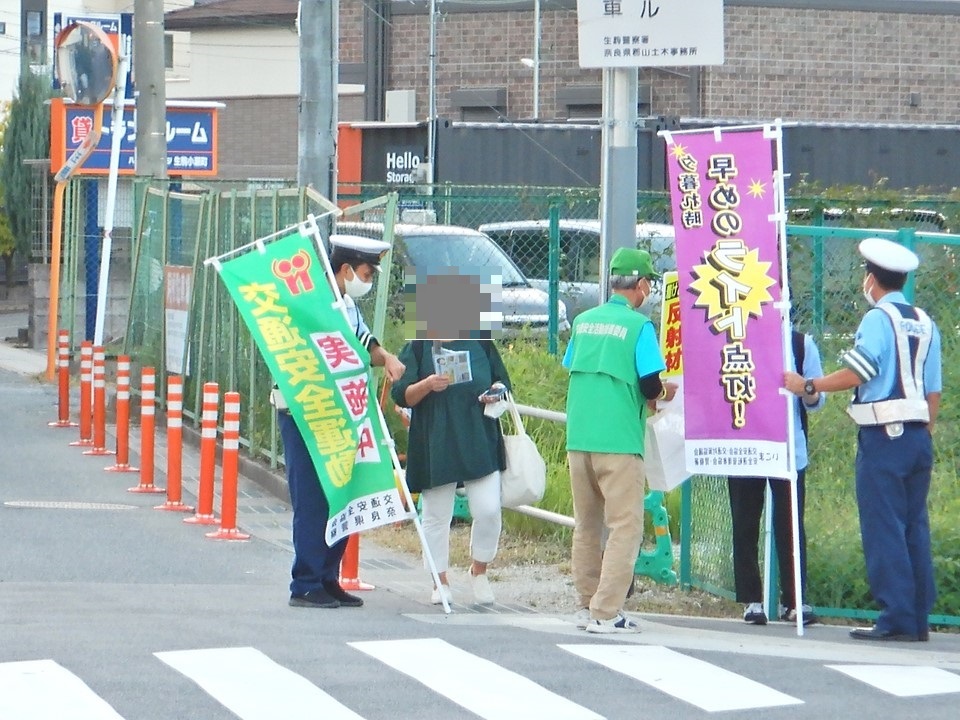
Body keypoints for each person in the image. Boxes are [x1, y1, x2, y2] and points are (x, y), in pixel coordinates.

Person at [784, 237, 942, 642]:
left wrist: (809, 385)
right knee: (913, 525)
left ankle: (895, 615)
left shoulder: (877, 319)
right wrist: (925, 426)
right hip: (917, 436)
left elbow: (859, 370)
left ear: (871, 279)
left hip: (883, 437)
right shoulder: (925, 321)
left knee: (883, 526)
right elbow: (934, 388)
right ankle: (917, 618)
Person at [277, 234, 405, 609]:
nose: (368, 281)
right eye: (366, 273)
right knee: (314, 498)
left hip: (343, 414)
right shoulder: (312, 303)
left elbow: (364, 341)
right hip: (306, 411)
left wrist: (388, 358)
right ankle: (305, 582)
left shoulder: (347, 305)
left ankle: (328, 576)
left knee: (342, 496)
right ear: (346, 269)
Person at [563, 246, 677, 634]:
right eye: (649, 285)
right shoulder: (639, 328)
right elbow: (649, 384)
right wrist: (665, 393)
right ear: (641, 284)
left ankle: (586, 603)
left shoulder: (583, 322)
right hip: (620, 443)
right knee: (625, 527)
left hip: (579, 438)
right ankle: (606, 612)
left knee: (587, 525)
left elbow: (572, 366)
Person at [391, 339, 512, 605]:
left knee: (489, 509)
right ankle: (440, 580)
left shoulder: (481, 341)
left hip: (479, 437)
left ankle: (479, 570)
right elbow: (400, 394)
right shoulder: (418, 348)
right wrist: (427, 385)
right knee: (436, 514)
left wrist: (494, 392)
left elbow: (504, 382)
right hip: (436, 439)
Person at [729, 330, 825, 627]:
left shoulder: (799, 342)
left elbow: (816, 400)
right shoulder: (736, 339)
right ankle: (751, 600)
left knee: (790, 524)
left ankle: (795, 601)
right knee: (744, 522)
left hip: (787, 447)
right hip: (745, 445)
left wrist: (804, 388)